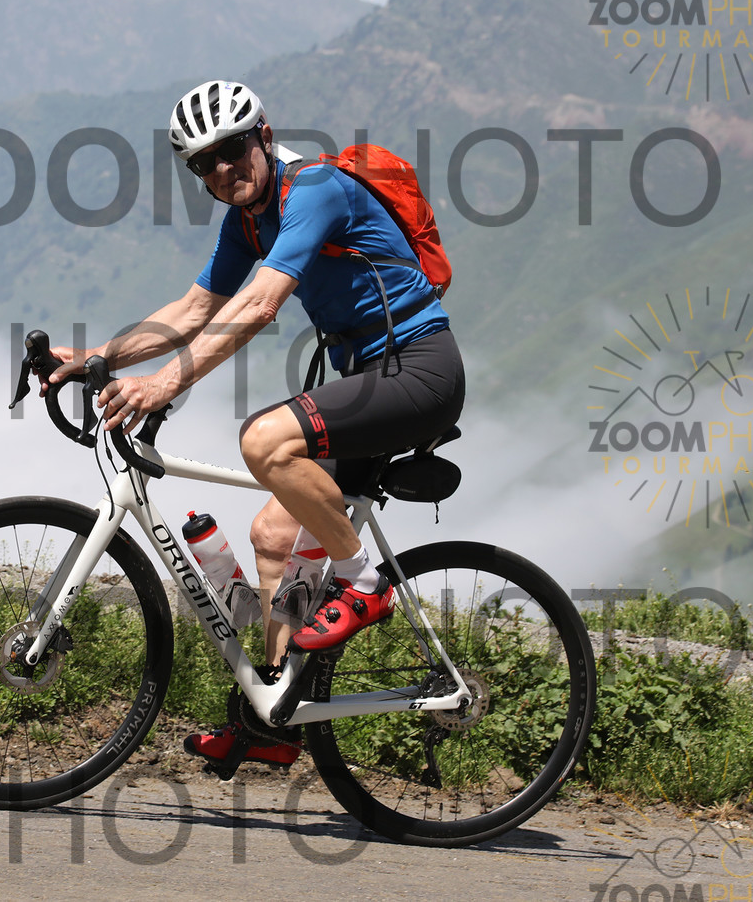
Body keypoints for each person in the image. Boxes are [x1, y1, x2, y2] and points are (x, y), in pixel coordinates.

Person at [45, 79, 464, 770]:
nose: (221, 170)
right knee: (274, 535)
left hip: (419, 371)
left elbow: (262, 303)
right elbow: (193, 309)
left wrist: (165, 382)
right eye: (203, 164)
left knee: (265, 439)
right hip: (366, 376)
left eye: (233, 150)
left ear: (264, 137)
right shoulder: (246, 219)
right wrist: (98, 359)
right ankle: (277, 717)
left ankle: (365, 583)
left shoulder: (316, 189)